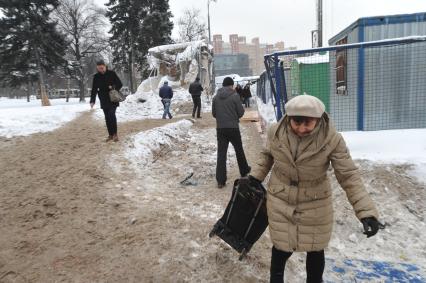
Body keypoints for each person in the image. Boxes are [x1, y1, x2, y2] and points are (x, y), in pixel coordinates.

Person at [243, 94, 381, 283]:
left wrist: (366, 212)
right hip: (281, 198)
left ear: (319, 119)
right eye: (296, 122)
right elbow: (267, 155)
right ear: (288, 118)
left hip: (316, 202)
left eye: (307, 123)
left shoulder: (332, 139)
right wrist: (255, 177)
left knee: (315, 249)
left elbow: (348, 175)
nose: (301, 129)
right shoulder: (276, 132)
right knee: (281, 247)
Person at [212, 77, 251, 189]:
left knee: (221, 153)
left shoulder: (215, 97)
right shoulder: (235, 96)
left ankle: (220, 180)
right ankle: (244, 171)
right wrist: (234, 116)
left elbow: (214, 113)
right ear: (231, 85)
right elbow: (240, 112)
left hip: (221, 129)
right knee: (239, 149)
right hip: (233, 128)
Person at [90, 60, 123, 142]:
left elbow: (120, 84)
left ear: (105, 66)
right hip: (103, 99)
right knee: (107, 117)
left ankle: (115, 134)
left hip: (113, 98)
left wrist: (112, 87)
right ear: (97, 68)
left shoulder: (112, 73)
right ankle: (110, 135)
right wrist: (92, 100)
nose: (101, 70)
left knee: (111, 115)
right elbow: (94, 89)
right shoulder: (96, 77)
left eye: (102, 68)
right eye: (99, 68)